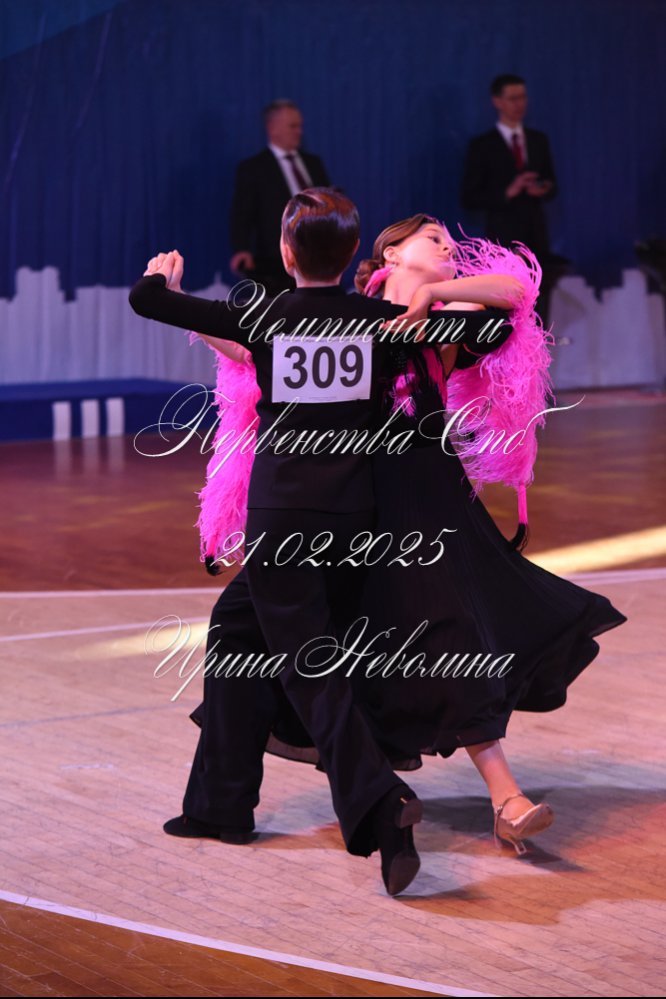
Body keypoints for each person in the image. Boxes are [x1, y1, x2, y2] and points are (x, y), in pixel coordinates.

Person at [190, 213, 626, 858]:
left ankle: (496, 798)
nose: (450, 248)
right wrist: (199, 319)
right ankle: (227, 803)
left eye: (451, 243)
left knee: (444, 638)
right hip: (339, 505)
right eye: (434, 240)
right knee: (247, 635)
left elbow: (514, 293)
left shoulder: (445, 318)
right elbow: (259, 353)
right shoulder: (351, 315)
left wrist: (430, 295)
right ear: (389, 252)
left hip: (420, 502)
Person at [130, 189, 510, 895]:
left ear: (285, 253)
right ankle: (219, 805)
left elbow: (145, 301)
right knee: (237, 631)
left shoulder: (265, 316)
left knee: (311, 673)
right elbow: (497, 322)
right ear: (352, 254)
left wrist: (163, 280)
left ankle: (380, 802)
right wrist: (436, 300)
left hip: (283, 522)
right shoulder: (380, 321)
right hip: (352, 521)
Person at [461, 74, 561, 325]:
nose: (520, 104)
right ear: (497, 101)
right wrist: (508, 192)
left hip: (536, 235)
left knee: (539, 302)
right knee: (504, 305)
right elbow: (469, 196)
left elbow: (552, 185)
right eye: (513, 98)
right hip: (502, 237)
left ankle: (538, 347)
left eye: (523, 97)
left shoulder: (538, 140)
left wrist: (542, 188)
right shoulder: (483, 145)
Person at [229, 99, 331, 295]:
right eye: (293, 126)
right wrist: (241, 248)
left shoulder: (314, 163)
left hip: (320, 256)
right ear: (272, 128)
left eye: (300, 126)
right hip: (274, 264)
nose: (299, 131)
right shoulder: (253, 168)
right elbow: (242, 213)